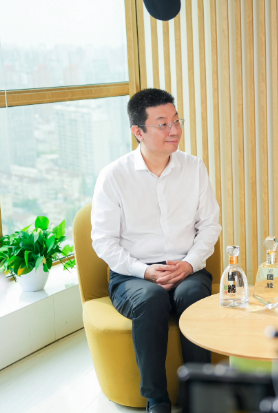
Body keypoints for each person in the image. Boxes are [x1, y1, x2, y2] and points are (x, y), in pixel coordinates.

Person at [91, 88, 221, 413]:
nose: (174, 130)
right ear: (138, 131)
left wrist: (190, 264)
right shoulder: (113, 176)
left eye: (176, 121)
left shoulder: (194, 167)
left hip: (186, 267)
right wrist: (144, 271)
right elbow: (103, 241)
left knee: (193, 295)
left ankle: (200, 396)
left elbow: (210, 226)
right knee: (151, 300)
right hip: (133, 274)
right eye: (163, 124)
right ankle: (156, 400)